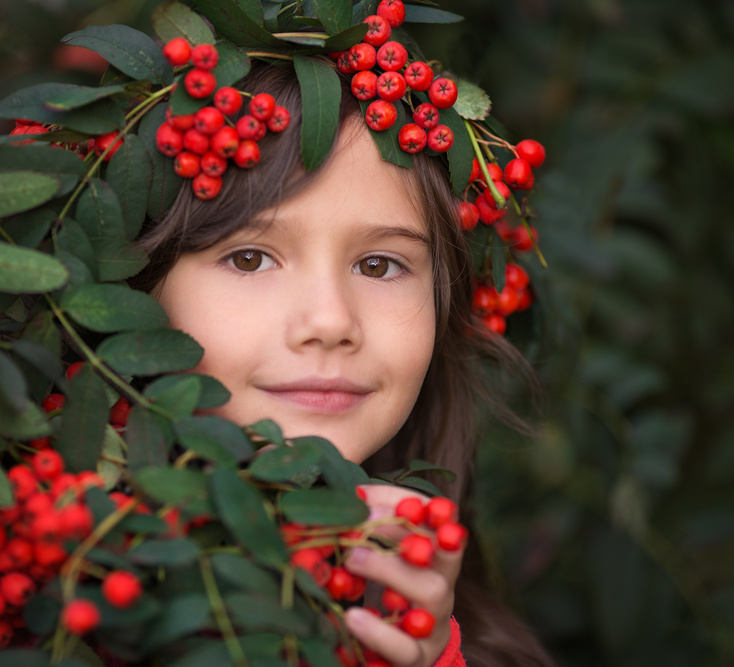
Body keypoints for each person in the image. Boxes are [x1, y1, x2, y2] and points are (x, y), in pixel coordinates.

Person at [132, 62, 555, 667]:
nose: (331, 322)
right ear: (135, 285)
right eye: (250, 258)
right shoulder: (16, 605)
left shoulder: (466, 647)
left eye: (380, 265)